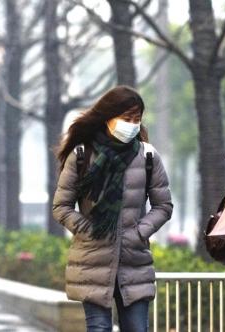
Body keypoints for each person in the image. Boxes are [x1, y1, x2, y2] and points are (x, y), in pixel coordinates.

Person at [52, 85, 173, 332]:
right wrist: (89, 230)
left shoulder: (148, 156)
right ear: (108, 117)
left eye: (136, 119)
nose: (131, 124)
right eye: (126, 118)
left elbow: (163, 205)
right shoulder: (83, 155)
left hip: (134, 261)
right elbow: (61, 206)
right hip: (92, 262)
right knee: (98, 328)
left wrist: (140, 232)